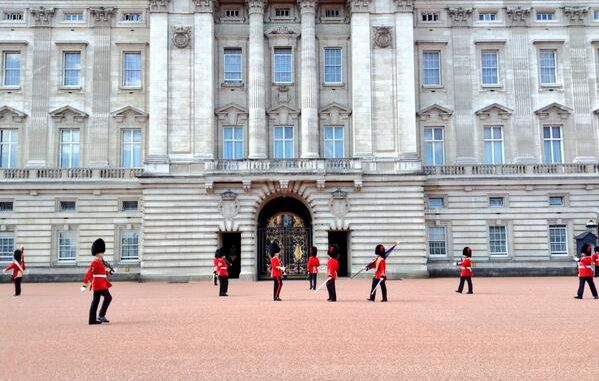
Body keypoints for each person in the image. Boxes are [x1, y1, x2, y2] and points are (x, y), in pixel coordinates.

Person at [81, 239, 113, 324]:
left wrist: (110, 272)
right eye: (102, 252)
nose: (103, 254)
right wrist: (84, 285)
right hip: (99, 284)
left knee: (96, 301)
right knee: (108, 298)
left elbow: (102, 272)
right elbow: (89, 273)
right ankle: (101, 315)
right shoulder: (95, 262)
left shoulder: (100, 261)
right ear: (99, 252)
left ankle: (92, 320)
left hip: (101, 283)